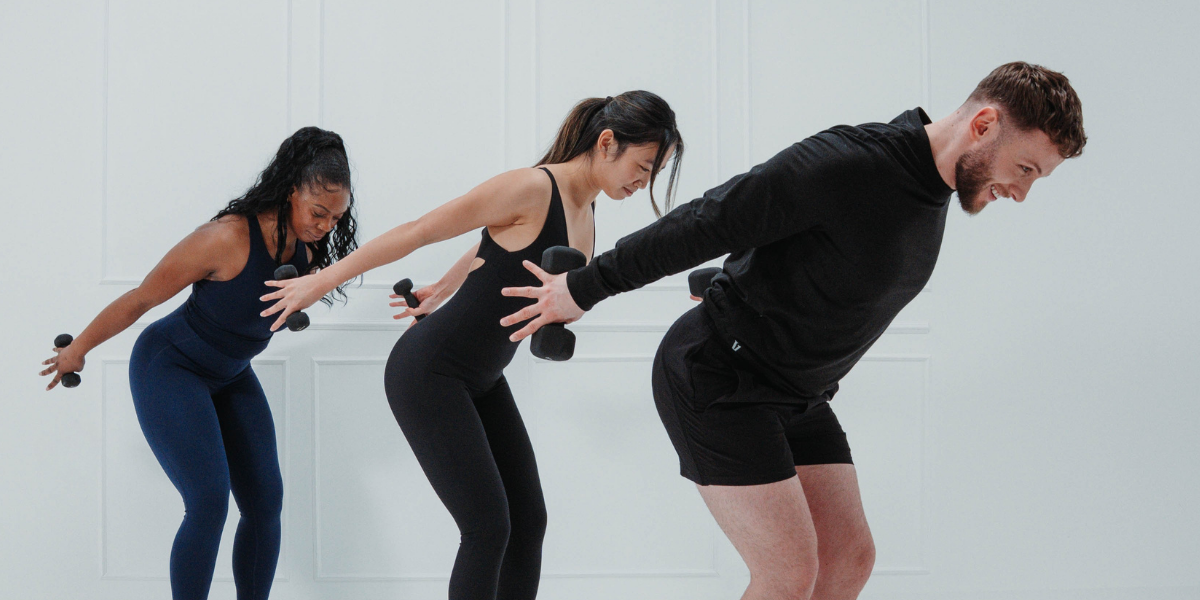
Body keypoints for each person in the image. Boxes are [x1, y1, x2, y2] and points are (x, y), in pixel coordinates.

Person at [498, 62, 1087, 600]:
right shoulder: (853, 161)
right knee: (787, 574)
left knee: (848, 561)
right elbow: (714, 218)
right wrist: (586, 286)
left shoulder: (929, 189)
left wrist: (743, 276)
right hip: (721, 376)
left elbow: (828, 254)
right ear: (984, 125)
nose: (1022, 192)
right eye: (1025, 169)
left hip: (798, 394)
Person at [259, 91, 684, 600]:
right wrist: (319, 281)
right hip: (430, 372)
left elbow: (496, 240)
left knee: (528, 521)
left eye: (653, 174)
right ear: (608, 142)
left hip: (482, 377)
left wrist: (444, 285)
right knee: (487, 528)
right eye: (643, 167)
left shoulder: (587, 210)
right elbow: (420, 230)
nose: (643, 182)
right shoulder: (532, 187)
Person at [40, 127, 358, 600]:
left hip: (231, 375)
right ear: (292, 190)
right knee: (208, 502)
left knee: (265, 502)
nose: (325, 226)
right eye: (318, 212)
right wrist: (78, 349)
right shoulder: (225, 238)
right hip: (170, 367)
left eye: (336, 217)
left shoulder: (306, 253)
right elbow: (141, 298)